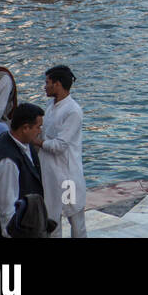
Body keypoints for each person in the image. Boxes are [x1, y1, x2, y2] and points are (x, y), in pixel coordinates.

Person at [0, 102, 53, 238]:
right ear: (25, 128)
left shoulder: (10, 139)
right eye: (38, 127)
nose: (40, 131)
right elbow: (6, 209)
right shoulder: (8, 162)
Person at [39, 65, 86, 238]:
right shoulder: (50, 105)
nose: (45, 86)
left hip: (68, 177)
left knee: (76, 221)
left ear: (57, 84)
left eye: (47, 83)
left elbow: (60, 145)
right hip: (50, 175)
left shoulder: (73, 111)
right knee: (52, 220)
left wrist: (37, 141)